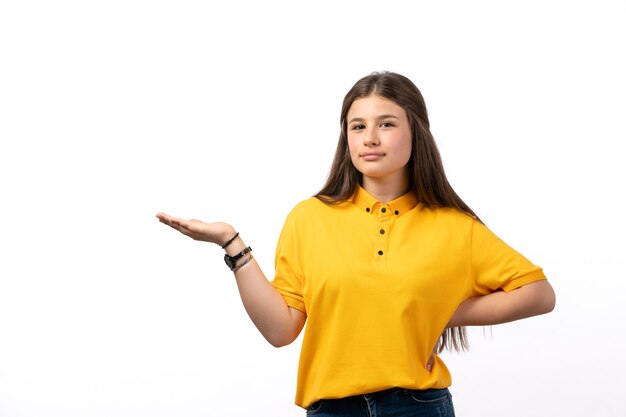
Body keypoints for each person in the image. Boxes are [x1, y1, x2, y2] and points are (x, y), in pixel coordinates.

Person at [156, 71, 556, 416]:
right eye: (358, 126)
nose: (370, 138)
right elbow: (281, 331)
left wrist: (443, 311)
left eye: (386, 124)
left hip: (418, 408)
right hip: (331, 410)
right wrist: (232, 243)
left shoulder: (454, 226)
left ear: (416, 130)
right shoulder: (309, 218)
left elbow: (539, 293)